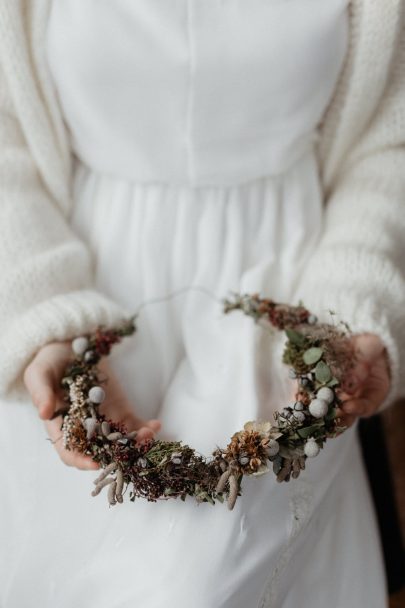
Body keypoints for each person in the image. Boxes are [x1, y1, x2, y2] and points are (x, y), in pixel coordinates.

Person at [0, 1, 403, 607]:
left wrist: (351, 300)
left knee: (211, 574)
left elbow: (388, 143)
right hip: (80, 285)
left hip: (293, 295)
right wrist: (43, 312)